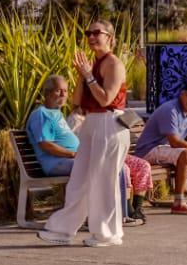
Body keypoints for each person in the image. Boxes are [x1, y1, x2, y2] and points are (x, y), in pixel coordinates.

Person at [38, 21, 129, 248]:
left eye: (96, 33)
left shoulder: (114, 64)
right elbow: (77, 101)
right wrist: (82, 75)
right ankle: (63, 229)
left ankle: (107, 234)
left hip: (110, 123)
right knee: (79, 180)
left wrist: (89, 75)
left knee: (103, 182)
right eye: (88, 33)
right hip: (92, 123)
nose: (91, 36)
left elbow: (106, 99)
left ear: (109, 36)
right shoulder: (93, 64)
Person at [27, 75, 154, 226]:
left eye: (65, 91)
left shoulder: (57, 113)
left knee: (117, 165)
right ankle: (107, 215)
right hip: (58, 162)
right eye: (58, 91)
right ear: (47, 93)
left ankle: (123, 213)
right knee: (102, 167)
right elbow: (45, 144)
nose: (63, 94)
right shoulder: (41, 114)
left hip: (75, 158)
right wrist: (74, 154)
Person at [131, 78, 187, 215]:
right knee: (185, 153)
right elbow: (174, 142)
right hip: (148, 150)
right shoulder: (171, 110)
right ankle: (178, 203)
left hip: (165, 149)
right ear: (182, 94)